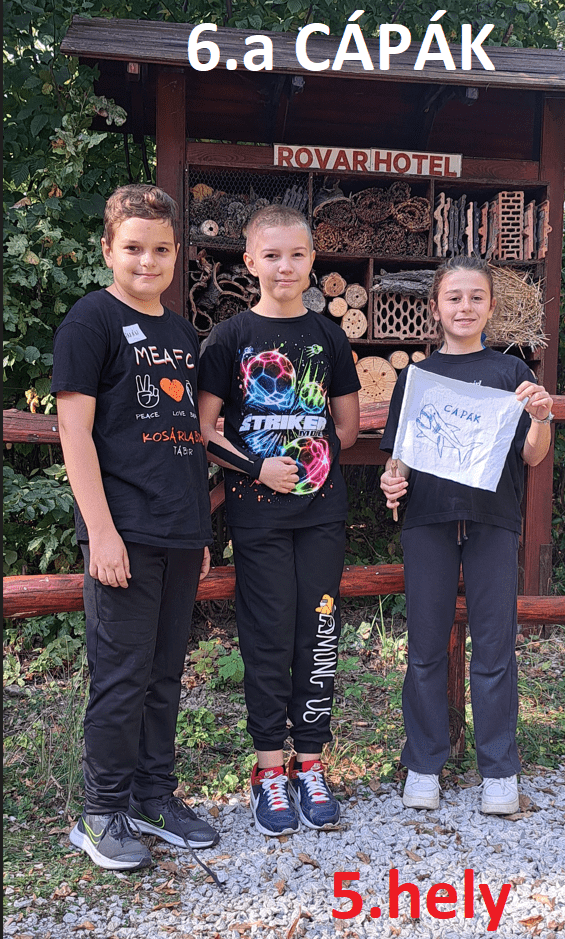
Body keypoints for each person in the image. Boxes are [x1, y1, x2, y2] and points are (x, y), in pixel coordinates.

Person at [52, 184, 218, 871]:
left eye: (160, 249)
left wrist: (199, 532)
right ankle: (101, 812)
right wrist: (101, 530)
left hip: (179, 530)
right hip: (122, 531)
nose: (147, 261)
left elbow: (186, 438)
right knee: (120, 676)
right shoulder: (90, 321)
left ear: (176, 254)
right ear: (107, 251)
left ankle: (152, 795)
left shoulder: (180, 333)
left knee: (164, 673)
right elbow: (75, 433)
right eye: (133, 248)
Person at [198, 205, 360, 836]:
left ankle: (310, 764)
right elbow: (204, 429)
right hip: (258, 515)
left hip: (321, 513)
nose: (284, 266)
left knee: (318, 633)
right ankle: (269, 770)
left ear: (313, 262)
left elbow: (346, 426)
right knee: (266, 636)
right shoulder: (231, 337)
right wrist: (258, 467)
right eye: (271, 255)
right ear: (250, 262)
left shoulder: (329, 337)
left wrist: (312, 458)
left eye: (296, 255)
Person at [379, 256, 553, 815]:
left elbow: (532, 455)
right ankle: (423, 764)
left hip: (493, 521)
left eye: (476, 297)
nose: (465, 307)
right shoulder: (416, 378)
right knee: (425, 649)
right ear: (435, 307)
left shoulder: (511, 373)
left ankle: (499, 770)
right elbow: (400, 458)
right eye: (454, 297)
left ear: (492, 307)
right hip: (428, 521)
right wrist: (390, 480)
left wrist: (542, 416)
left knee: (495, 648)